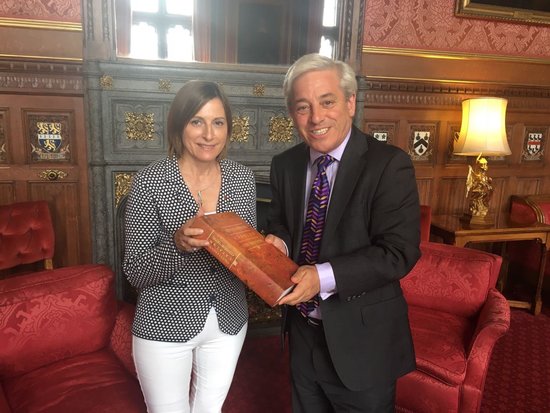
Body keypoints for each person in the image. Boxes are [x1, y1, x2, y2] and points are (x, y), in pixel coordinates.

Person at [265, 53, 421, 412]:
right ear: (292, 114)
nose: (316, 118)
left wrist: (321, 278)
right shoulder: (285, 165)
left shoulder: (388, 165)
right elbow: (281, 222)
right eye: (303, 107)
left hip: (363, 340)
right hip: (303, 331)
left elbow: (398, 252)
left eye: (327, 102)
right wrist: (279, 240)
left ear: (350, 103)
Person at [123, 80, 256, 413]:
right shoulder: (150, 181)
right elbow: (135, 272)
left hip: (229, 320)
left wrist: (262, 251)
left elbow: (244, 257)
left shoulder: (242, 178)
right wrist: (177, 244)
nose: (208, 134)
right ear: (179, 125)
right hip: (163, 323)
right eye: (197, 121)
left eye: (218, 122)